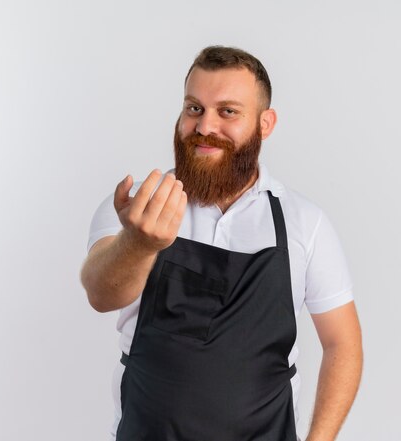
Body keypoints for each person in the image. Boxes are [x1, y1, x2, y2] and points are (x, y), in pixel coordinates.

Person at [81, 46, 363, 441]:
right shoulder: (140, 208)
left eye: (227, 111)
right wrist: (140, 244)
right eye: (194, 108)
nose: (204, 126)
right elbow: (100, 293)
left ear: (266, 123)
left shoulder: (304, 223)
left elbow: (342, 344)